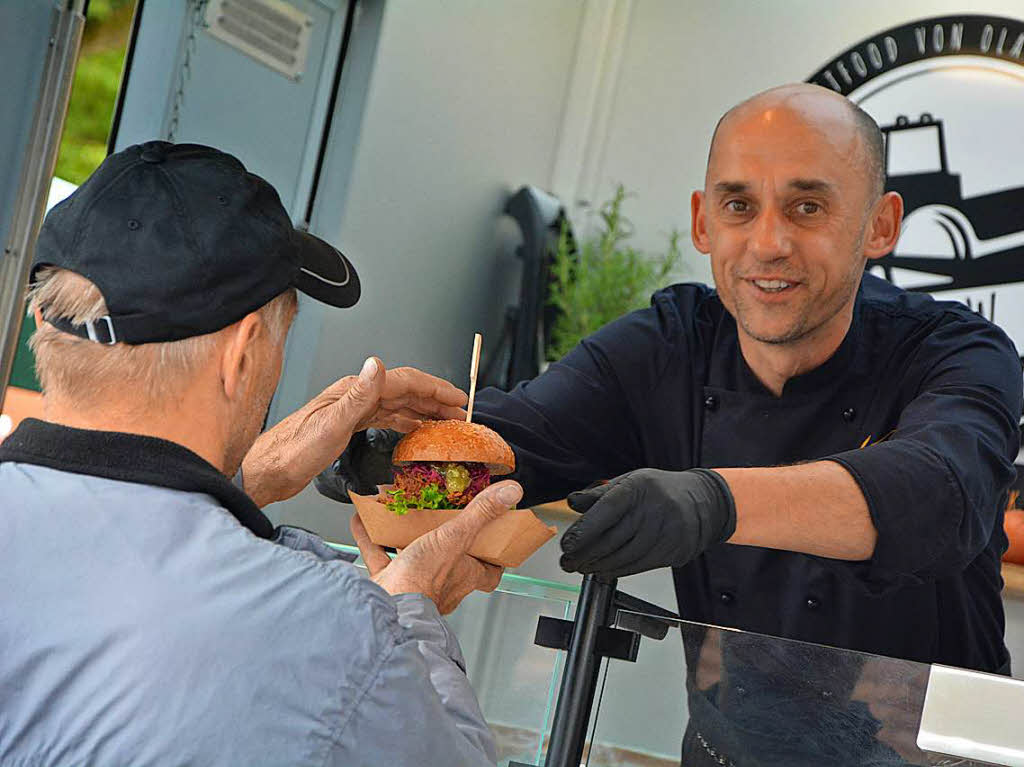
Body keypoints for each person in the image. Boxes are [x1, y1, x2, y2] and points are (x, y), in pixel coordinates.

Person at [321, 84, 1023, 762]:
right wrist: (385, 463)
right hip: (727, 753)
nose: (769, 242)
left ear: (880, 224)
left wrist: (710, 501)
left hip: (931, 761)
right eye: (739, 206)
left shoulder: (958, 352)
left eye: (808, 206)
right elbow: (520, 442)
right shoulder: (670, 344)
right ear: (702, 221)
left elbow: (939, 493)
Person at [0, 141, 523, 766]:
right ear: (242, 352)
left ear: (46, 322)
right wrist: (411, 613)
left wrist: (247, 479)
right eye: (282, 333)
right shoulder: (334, 630)